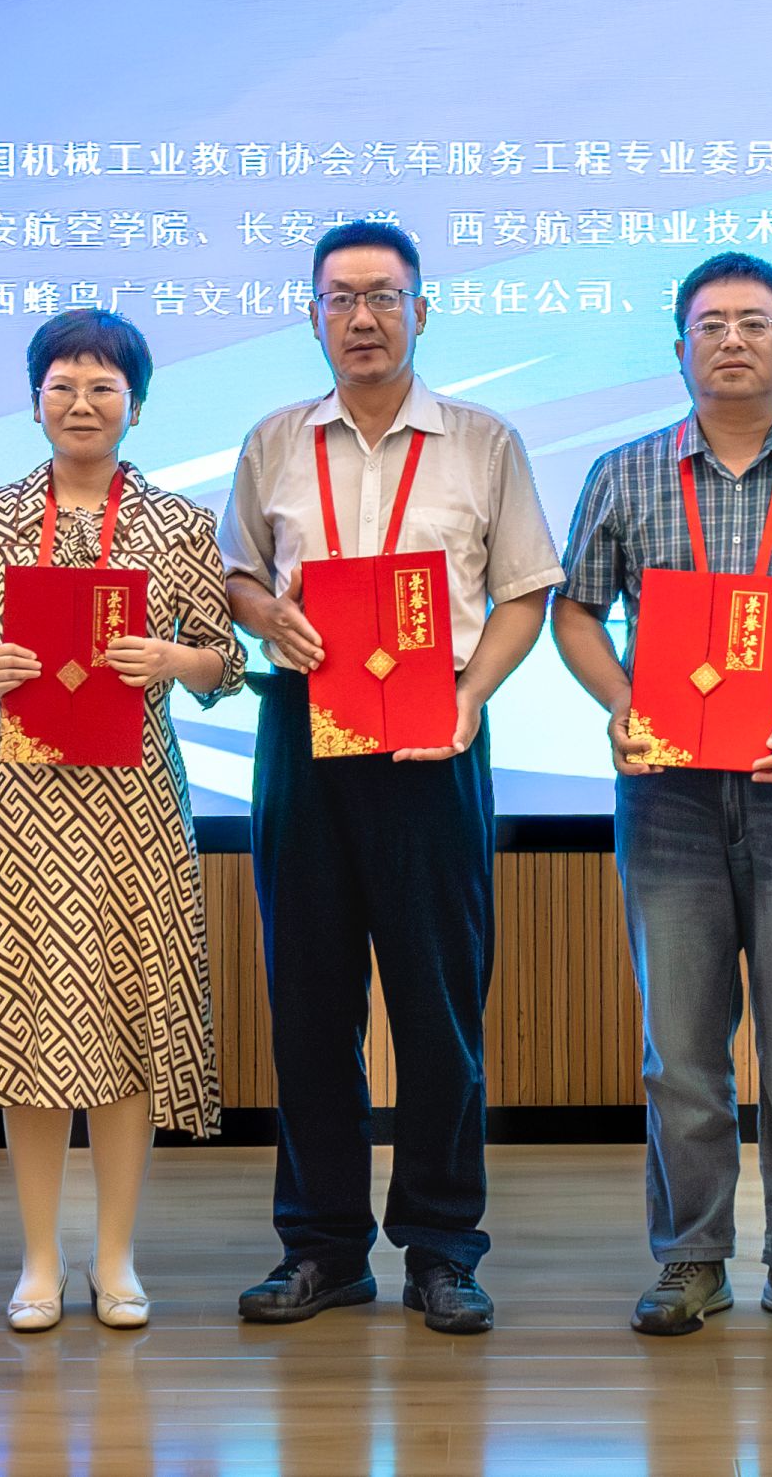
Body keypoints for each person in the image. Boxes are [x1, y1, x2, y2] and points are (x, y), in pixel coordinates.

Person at [550, 251, 772, 1341]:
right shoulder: (624, 472)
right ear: (679, 351)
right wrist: (621, 702)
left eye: (755, 323)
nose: (733, 341)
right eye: (710, 325)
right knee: (681, 1049)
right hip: (668, 793)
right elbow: (576, 609)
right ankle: (692, 1259)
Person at [219, 219, 560, 1337]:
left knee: (437, 1004)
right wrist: (263, 611)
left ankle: (443, 1247)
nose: (361, 318)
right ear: (311, 313)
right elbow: (235, 573)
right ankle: (321, 1247)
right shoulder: (273, 441)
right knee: (310, 1003)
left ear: (422, 308)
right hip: (303, 731)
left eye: (382, 296)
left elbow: (523, 590)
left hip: (433, 733)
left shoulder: (483, 442)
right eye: (340, 298)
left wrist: (471, 697)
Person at [0, 308, 248, 1332]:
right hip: (19, 802)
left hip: (131, 802)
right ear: (34, 402)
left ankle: (115, 1257)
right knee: (29, 1018)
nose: (81, 404)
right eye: (61, 386)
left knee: (125, 1018)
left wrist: (174, 659)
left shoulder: (177, 521)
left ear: (135, 405)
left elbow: (226, 663)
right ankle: (38, 1261)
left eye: (103, 387)